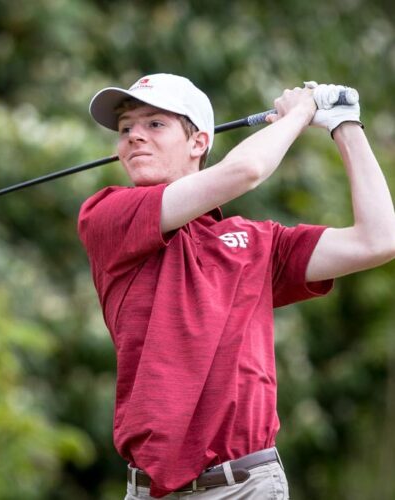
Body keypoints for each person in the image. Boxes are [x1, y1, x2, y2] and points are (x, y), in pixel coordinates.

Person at [77, 73, 395, 499]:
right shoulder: (107, 215)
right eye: (125, 128)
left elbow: (378, 239)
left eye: (154, 124)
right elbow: (246, 170)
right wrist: (299, 114)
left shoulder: (256, 243)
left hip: (244, 487)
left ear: (198, 142)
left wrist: (345, 124)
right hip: (149, 488)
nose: (134, 136)